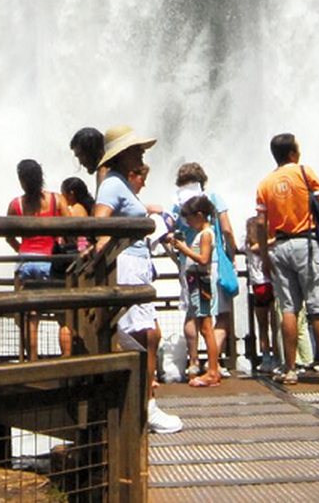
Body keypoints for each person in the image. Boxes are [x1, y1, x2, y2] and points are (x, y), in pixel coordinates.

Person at [92, 125, 182, 434]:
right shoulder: (112, 185)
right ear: (122, 155)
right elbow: (100, 221)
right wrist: (103, 253)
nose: (142, 153)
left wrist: (148, 211)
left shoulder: (119, 185)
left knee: (146, 333)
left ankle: (143, 403)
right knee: (141, 334)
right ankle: (145, 407)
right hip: (127, 264)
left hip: (136, 264)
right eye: (137, 149)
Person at [256, 133, 319, 385]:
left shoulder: (265, 183)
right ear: (293, 153)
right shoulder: (305, 173)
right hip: (306, 242)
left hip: (279, 246)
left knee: (288, 308)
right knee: (318, 305)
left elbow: (261, 224)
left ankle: (290, 368)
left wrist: (264, 254)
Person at [171, 162, 238, 375]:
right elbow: (226, 229)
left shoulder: (176, 204)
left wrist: (178, 258)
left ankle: (192, 363)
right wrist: (232, 254)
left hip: (187, 263)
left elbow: (169, 235)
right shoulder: (213, 199)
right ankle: (213, 361)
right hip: (212, 262)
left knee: (192, 312)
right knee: (221, 313)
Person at [7, 160, 71, 360]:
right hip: (48, 260)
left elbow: (8, 235)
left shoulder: (16, 204)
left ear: (21, 180)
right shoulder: (56, 200)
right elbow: (72, 228)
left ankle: (32, 359)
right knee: (62, 312)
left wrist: (22, 250)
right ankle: (66, 356)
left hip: (25, 261)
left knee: (30, 314)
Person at [170, 194, 224, 387]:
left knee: (206, 328)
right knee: (204, 327)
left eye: (190, 218)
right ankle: (213, 370)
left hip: (201, 283)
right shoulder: (203, 234)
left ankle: (212, 371)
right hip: (197, 283)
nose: (188, 223)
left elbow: (203, 259)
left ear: (200, 215)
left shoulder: (206, 234)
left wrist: (184, 249)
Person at [245, 215, 278, 372]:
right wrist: (278, 237)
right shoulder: (264, 245)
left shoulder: (247, 245)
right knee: (275, 324)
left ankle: (265, 357)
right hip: (270, 283)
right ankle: (277, 357)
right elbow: (257, 248)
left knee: (262, 325)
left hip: (257, 286)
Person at [61, 177, 96, 254]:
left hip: (80, 249)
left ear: (71, 194)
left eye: (62, 192)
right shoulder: (85, 208)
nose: (61, 196)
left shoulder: (76, 209)